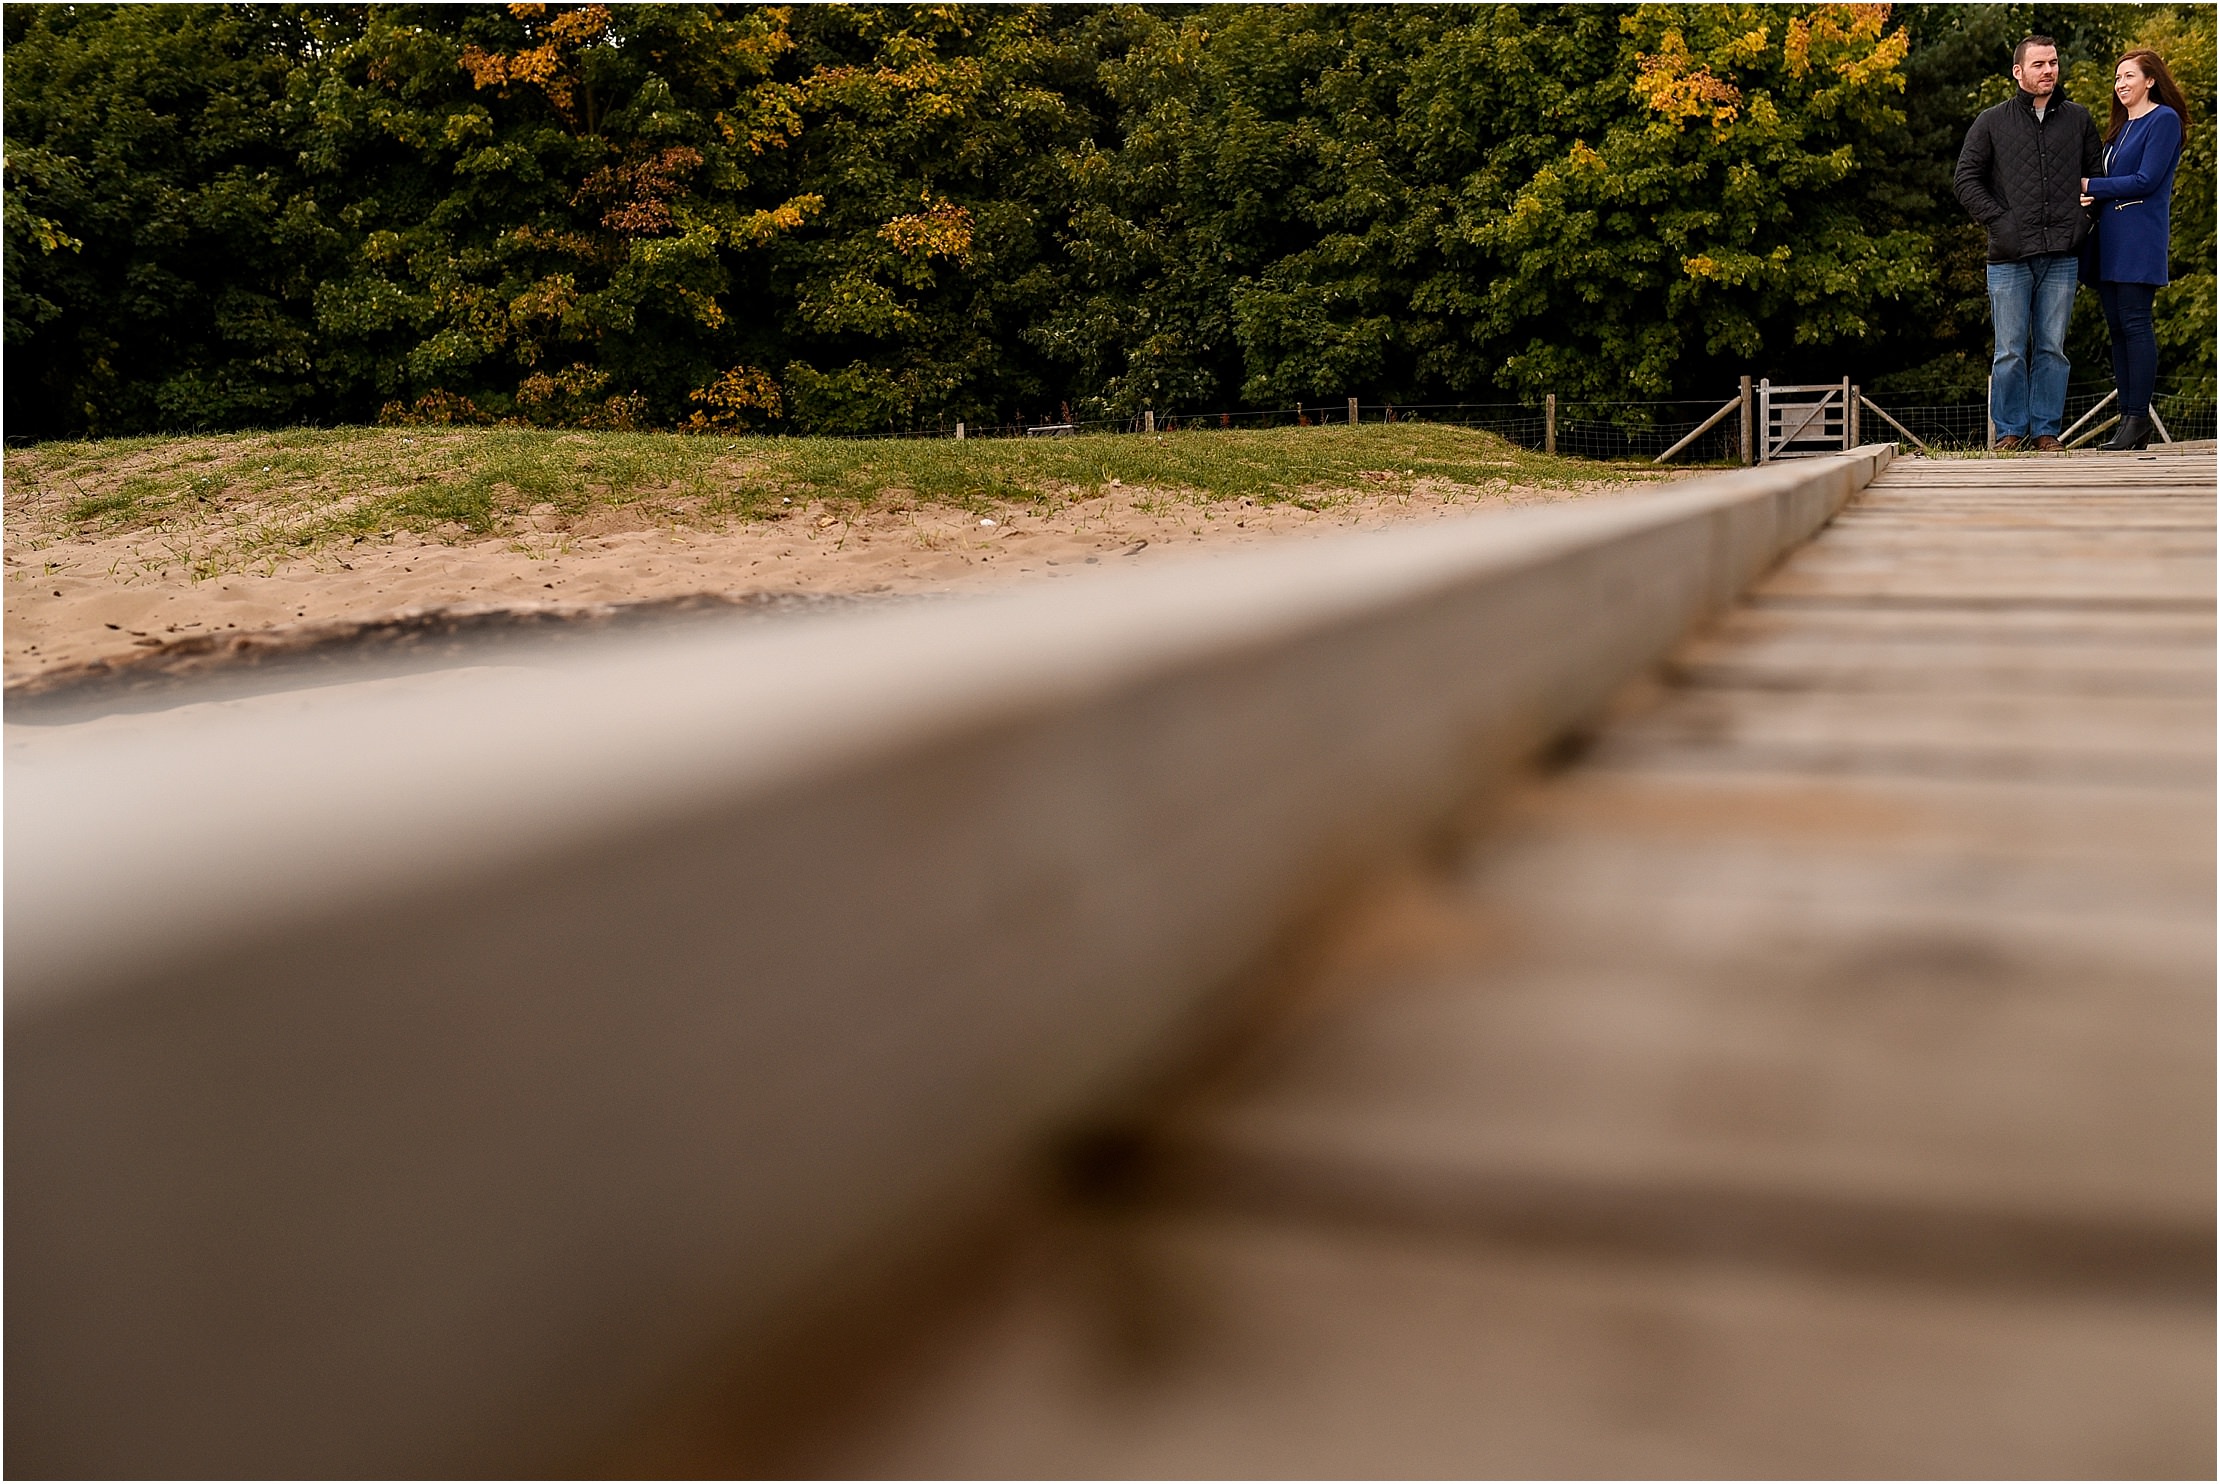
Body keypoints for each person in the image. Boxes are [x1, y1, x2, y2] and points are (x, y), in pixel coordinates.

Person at [1954, 36, 2105, 452]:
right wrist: (2001, 223)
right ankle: (2009, 432)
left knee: (2053, 349)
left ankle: (2046, 433)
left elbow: (2098, 176)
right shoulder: (1991, 122)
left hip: (2061, 254)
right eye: (2038, 64)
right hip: (2008, 256)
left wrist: (2084, 220)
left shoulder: (2078, 119)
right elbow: (1965, 180)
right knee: (2009, 351)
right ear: (2018, 72)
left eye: (2053, 63)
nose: (2049, 71)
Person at [2079, 50, 2188, 450]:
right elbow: (2116, 180)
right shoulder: (2120, 128)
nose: (2120, 84)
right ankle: (2128, 421)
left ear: (2151, 80)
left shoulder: (2163, 120)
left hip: (2139, 238)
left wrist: (2090, 186)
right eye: (2117, 78)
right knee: (2117, 331)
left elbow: (2145, 180)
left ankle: (2137, 419)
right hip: (2109, 240)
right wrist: (2092, 198)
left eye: (2128, 76)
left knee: (2136, 324)